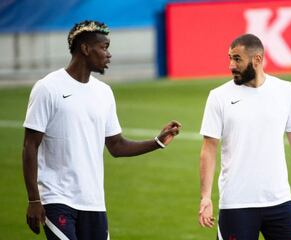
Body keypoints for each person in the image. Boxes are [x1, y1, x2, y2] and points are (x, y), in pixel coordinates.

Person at [22, 20, 181, 240]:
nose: (109, 54)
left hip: (94, 202)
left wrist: (158, 141)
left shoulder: (104, 92)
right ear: (85, 49)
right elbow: (30, 145)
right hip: (56, 199)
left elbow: (116, 146)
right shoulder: (48, 88)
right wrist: (33, 200)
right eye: (104, 47)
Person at [198, 33, 291, 240]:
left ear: (257, 59)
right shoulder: (219, 97)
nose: (231, 65)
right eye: (229, 58)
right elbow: (209, 149)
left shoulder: (286, 91)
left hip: (279, 201)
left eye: (237, 59)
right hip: (236, 203)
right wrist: (206, 197)